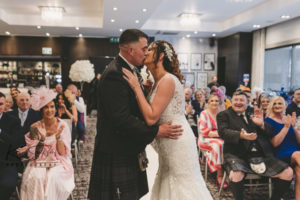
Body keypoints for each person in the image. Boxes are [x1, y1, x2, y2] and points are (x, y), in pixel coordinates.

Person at [88, 29, 183, 200]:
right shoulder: (115, 74)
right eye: (144, 48)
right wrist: (156, 131)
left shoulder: (130, 69)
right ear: (131, 50)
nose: (146, 53)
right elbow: (121, 119)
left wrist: (143, 93)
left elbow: (132, 106)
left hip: (127, 147)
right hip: (116, 150)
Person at [122, 39, 213, 199]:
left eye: (149, 50)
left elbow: (151, 118)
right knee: (168, 181)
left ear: (161, 56)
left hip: (177, 140)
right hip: (168, 141)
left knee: (183, 185)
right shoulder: (157, 82)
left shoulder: (168, 80)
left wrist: (136, 87)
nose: (145, 52)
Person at [217, 91, 293, 200]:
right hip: (237, 154)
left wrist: (262, 124)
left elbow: (270, 132)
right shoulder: (224, 115)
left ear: (247, 102)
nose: (238, 102)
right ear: (231, 101)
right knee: (236, 174)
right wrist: (241, 135)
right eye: (236, 100)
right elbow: (223, 132)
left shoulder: (255, 112)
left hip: (261, 154)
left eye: (241, 100)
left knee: (288, 172)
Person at [17, 86, 75, 200]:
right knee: (36, 178)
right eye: (46, 107)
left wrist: (58, 138)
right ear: (42, 110)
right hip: (39, 161)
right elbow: (34, 155)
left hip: (59, 161)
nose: (50, 110)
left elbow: (63, 153)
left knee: (52, 178)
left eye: (52, 107)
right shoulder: (35, 127)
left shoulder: (62, 125)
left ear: (55, 108)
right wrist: (42, 140)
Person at [265, 96, 300, 199]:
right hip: (281, 153)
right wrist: (285, 128)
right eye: (274, 103)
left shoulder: (288, 119)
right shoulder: (268, 121)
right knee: (298, 154)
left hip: (295, 153)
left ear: (285, 105)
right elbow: (275, 143)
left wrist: (294, 127)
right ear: (271, 106)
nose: (277, 105)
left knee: (298, 170)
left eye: (280, 103)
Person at [198, 94, 227, 189]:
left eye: (216, 101)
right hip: (205, 139)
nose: (214, 103)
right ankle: (219, 174)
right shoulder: (204, 114)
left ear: (219, 103)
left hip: (219, 137)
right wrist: (218, 134)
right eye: (212, 101)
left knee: (229, 143)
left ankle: (229, 171)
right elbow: (203, 131)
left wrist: (221, 134)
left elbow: (226, 128)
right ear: (209, 102)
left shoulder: (221, 114)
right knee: (219, 145)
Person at [0, 92, 22, 200]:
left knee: (7, 185)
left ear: (5, 106)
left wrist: (0, 132)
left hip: (7, 161)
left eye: (0, 104)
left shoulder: (13, 121)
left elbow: (16, 143)